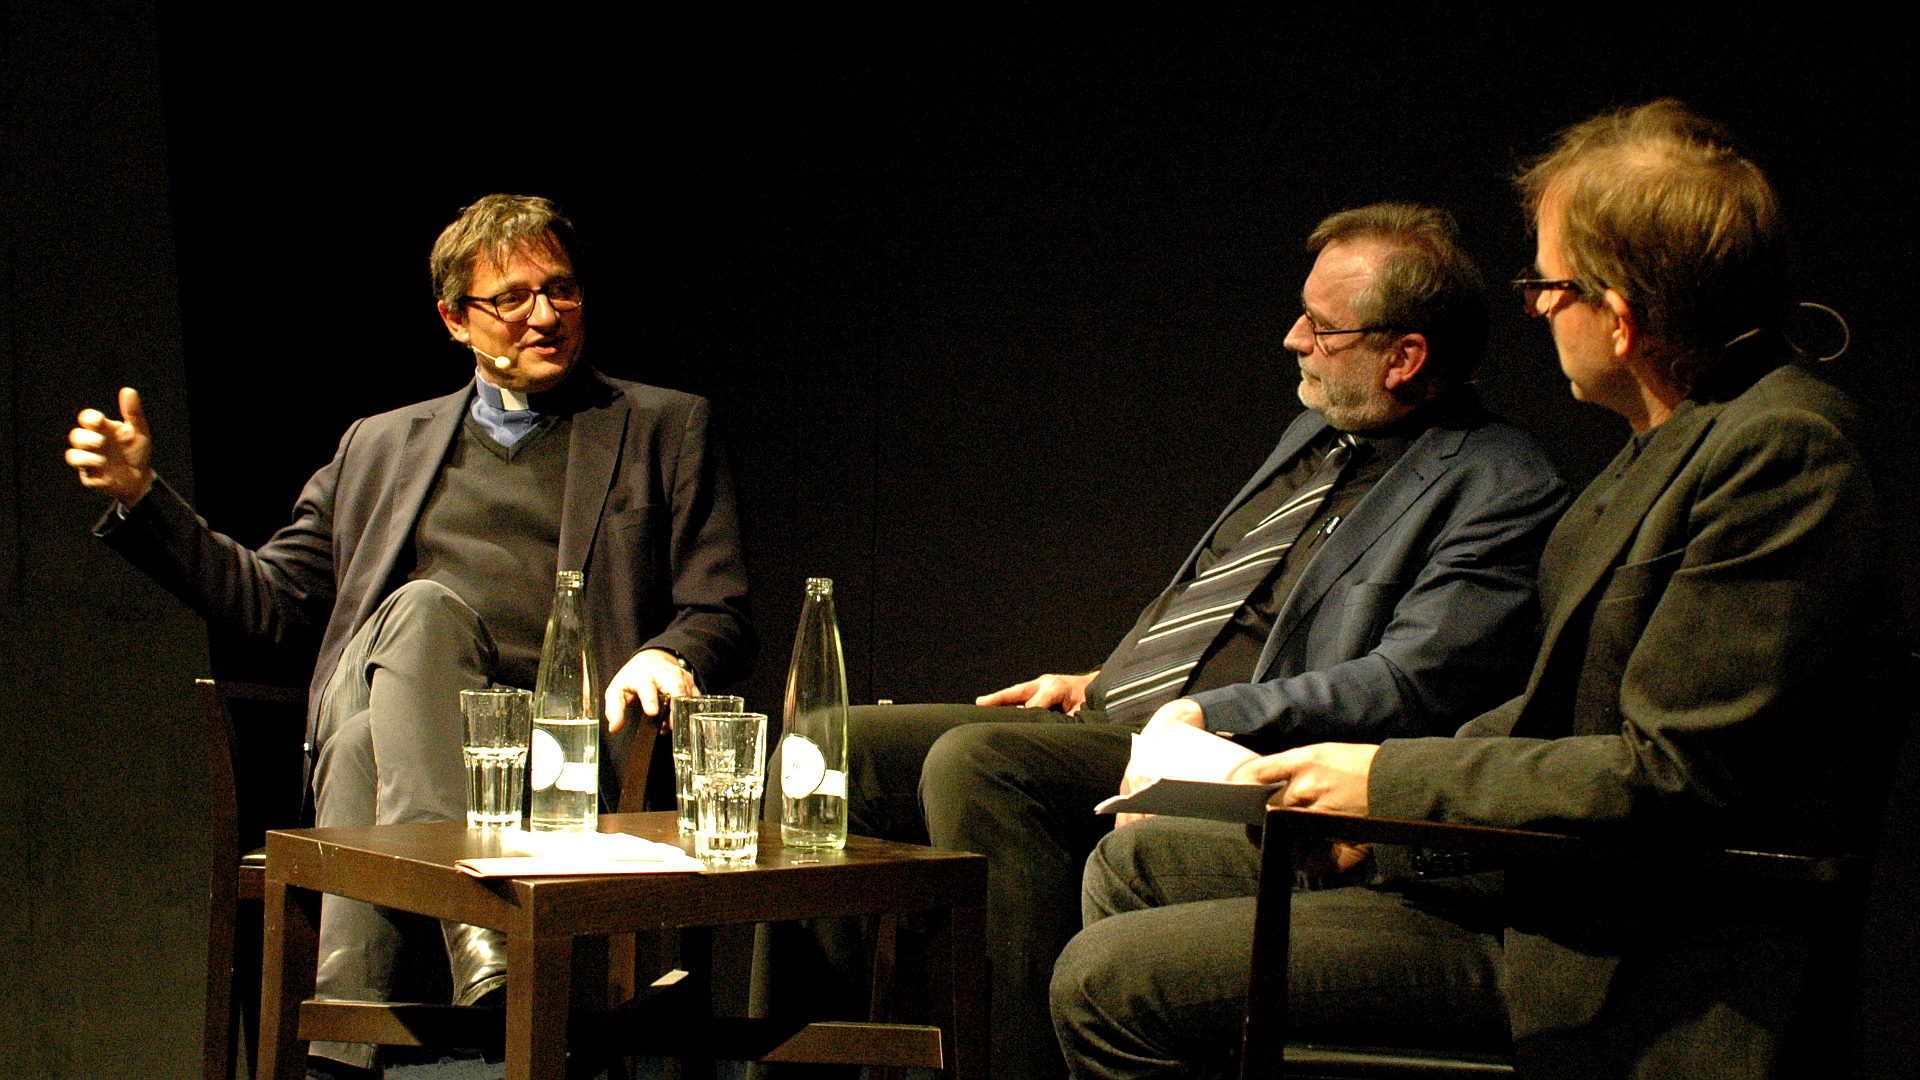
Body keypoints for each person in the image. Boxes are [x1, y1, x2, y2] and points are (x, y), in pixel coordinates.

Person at [1051, 101, 1896, 1080]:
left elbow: (1672, 775)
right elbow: (1554, 720)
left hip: (1619, 942)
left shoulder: (1782, 453)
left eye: (1546, 282)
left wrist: (1388, 788)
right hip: (1533, 878)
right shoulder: (1666, 442)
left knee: (1110, 981)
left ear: (1619, 317)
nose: (1532, 307)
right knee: (1137, 857)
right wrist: (1370, 803)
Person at [831, 203, 1568, 1080]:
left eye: (1322, 326)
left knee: (977, 764)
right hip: (1126, 714)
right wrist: (1105, 675)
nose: (1292, 338)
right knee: (832, 744)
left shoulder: (1497, 482)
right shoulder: (1312, 436)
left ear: (1405, 357)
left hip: (1233, 752)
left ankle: (1017, 1065)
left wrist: (1205, 710)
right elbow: (1223, 595)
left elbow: (1413, 680)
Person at [66, 194, 754, 1078]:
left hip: (554, 748)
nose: (545, 315)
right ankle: (478, 926)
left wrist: (668, 651)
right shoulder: (380, 447)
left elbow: (721, 609)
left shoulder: (662, 427)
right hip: (402, 688)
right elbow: (271, 599)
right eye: (513, 298)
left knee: (361, 748)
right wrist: (142, 500)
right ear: (456, 320)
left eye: (563, 290)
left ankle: (334, 1061)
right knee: (424, 612)